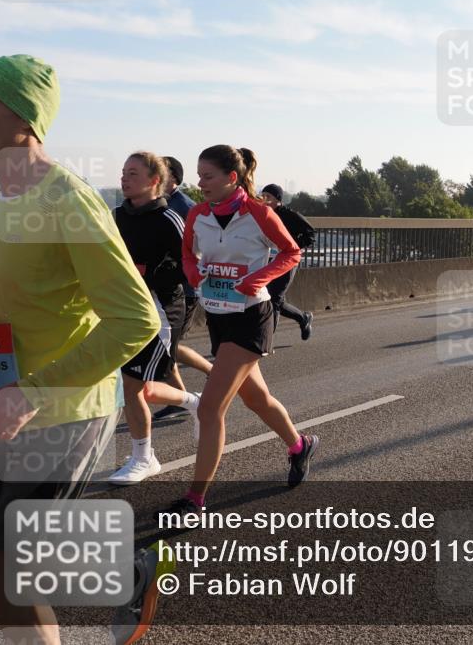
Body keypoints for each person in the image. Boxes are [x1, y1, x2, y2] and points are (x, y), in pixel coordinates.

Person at [0, 55, 165, 644]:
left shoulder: (67, 198)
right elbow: (9, 310)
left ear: (25, 116)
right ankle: (125, 573)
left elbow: (137, 319)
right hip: (10, 406)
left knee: (8, 583)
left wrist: (32, 390)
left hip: (63, 412)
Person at [155, 145, 318, 519]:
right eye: (198, 176)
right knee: (257, 399)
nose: (200, 183)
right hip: (218, 316)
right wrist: (194, 274)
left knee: (211, 407)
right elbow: (187, 256)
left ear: (231, 178)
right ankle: (300, 445)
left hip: (251, 316)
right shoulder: (198, 214)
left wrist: (258, 278)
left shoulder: (259, 213)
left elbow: (290, 252)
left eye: (207, 176)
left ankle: (194, 500)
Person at [108, 152, 200, 484]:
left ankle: (144, 458)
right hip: (124, 310)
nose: (124, 178)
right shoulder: (115, 216)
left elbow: (192, 265)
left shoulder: (169, 219)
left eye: (132, 172)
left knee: (133, 385)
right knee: (137, 386)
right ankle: (194, 401)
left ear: (154, 180)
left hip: (160, 311)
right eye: (122, 172)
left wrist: (153, 272)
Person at [151, 156, 213, 422]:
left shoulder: (184, 206)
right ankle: (206, 376)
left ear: (172, 178)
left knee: (166, 350)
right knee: (169, 348)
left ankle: (184, 397)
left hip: (184, 290)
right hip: (164, 288)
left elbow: (198, 248)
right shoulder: (158, 205)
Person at [260, 184, 314, 336]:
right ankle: (303, 318)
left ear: (278, 200)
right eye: (262, 196)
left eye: (268, 197)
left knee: (274, 298)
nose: (264, 200)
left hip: (288, 261)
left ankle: (267, 340)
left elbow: (310, 234)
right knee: (274, 298)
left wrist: (295, 248)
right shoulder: (261, 214)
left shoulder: (290, 215)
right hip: (269, 260)